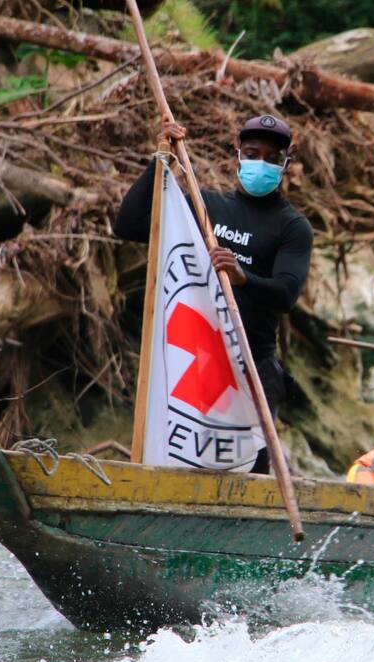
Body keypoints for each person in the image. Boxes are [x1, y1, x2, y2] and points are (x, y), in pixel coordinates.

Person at [113, 114, 313, 472]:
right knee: (183, 464)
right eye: (253, 153)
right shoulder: (204, 209)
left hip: (251, 371)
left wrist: (243, 277)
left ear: (285, 164)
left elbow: (286, 293)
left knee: (246, 471)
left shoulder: (292, 226)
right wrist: (160, 160)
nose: (261, 163)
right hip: (196, 360)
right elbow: (127, 225)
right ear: (237, 154)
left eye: (272, 157)